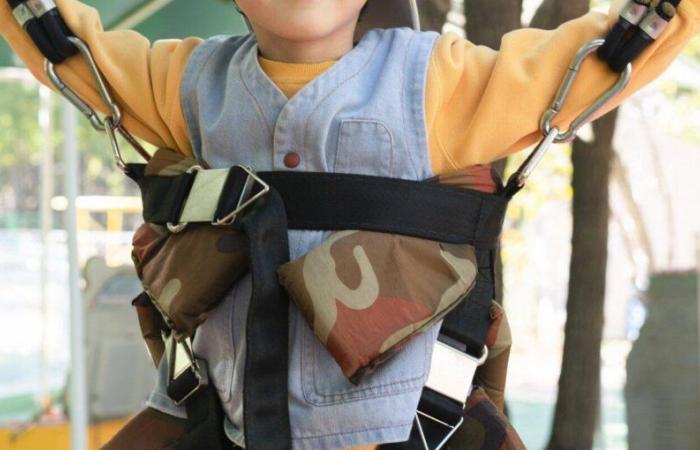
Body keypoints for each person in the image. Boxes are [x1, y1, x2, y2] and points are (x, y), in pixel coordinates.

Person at [1, 0, 699, 449]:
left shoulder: (439, 86)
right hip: (216, 423)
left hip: (406, 430)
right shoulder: (184, 85)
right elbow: (59, 42)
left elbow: (597, 60)